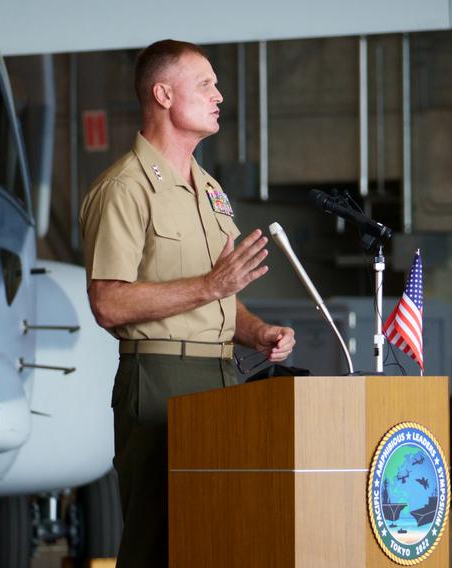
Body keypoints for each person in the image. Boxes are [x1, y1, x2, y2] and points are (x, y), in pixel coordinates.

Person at [79, 39, 295, 568]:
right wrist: (210, 287)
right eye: (205, 84)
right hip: (158, 380)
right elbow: (108, 304)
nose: (219, 95)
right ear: (163, 93)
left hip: (224, 378)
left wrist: (257, 330)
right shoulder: (125, 189)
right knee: (158, 542)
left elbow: (223, 297)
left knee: (218, 537)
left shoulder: (211, 190)